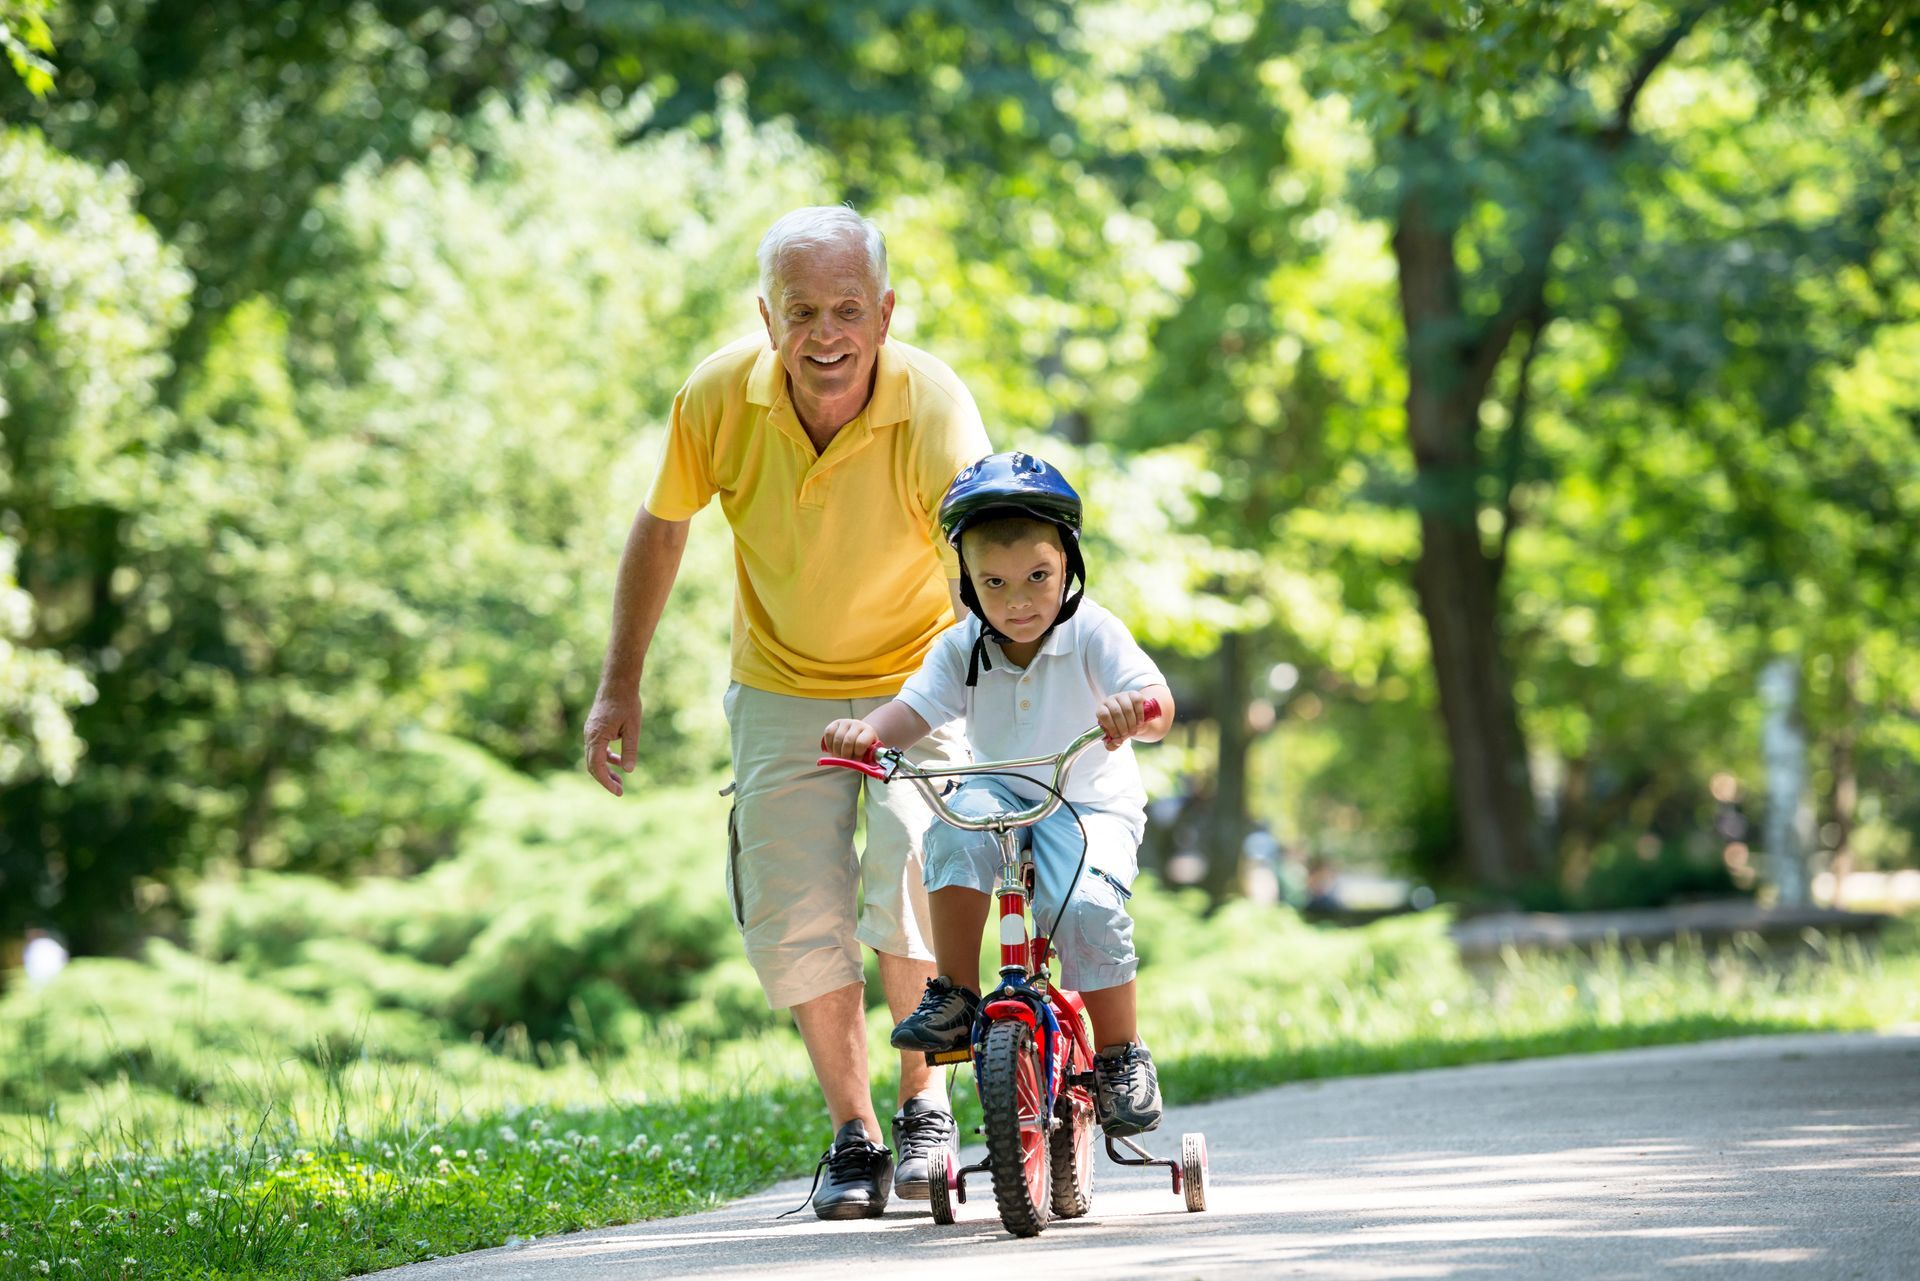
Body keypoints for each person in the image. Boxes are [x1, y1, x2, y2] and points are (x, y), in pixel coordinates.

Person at [583, 206, 990, 1219]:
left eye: (848, 307)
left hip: (918, 683)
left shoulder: (931, 405)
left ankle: (923, 1107)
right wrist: (619, 682)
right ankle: (853, 1134)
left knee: (912, 869)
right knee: (794, 909)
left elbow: (985, 558)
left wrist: (1019, 688)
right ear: (768, 318)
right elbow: (663, 527)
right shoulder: (722, 396)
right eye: (802, 310)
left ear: (885, 312)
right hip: (780, 685)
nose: (826, 333)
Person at [819, 451, 1176, 1137]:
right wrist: (867, 731)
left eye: (1038, 576)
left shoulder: (1092, 631)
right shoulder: (962, 649)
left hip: (1088, 802)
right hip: (998, 796)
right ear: (969, 584)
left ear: (1068, 567)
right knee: (950, 828)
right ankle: (955, 990)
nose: (1018, 600)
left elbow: (1158, 701)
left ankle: (1119, 1052)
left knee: (1091, 906)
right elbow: (915, 709)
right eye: (995, 582)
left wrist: (1138, 709)